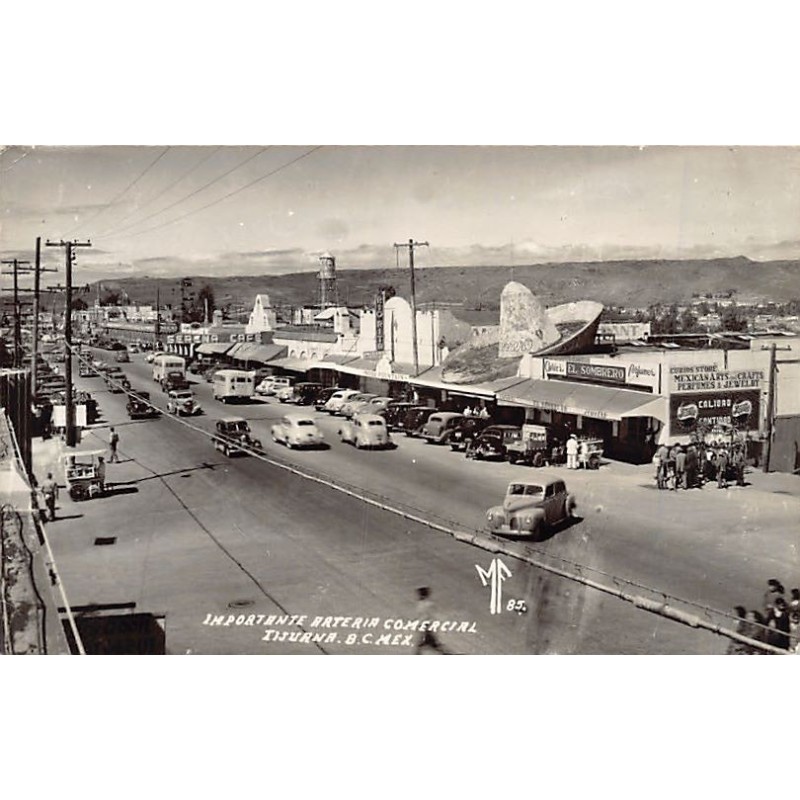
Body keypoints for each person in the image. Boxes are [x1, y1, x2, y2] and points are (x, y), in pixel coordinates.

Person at [414, 587, 449, 655]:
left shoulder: (426, 604)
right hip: (426, 624)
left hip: (426, 625)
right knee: (428, 642)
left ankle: (417, 653)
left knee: (428, 642)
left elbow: (426, 615)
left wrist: (420, 623)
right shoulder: (424, 603)